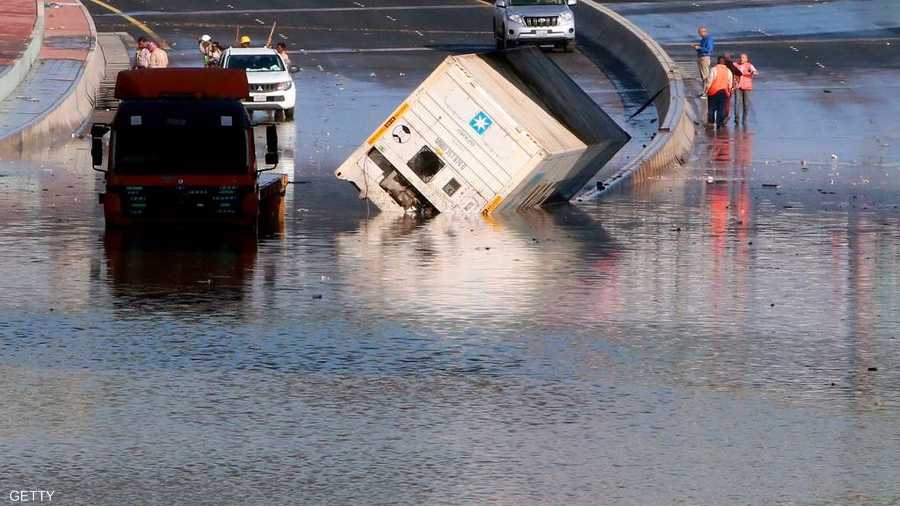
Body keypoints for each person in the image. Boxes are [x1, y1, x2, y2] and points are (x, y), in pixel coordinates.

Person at [706, 56, 734, 128]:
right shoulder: (728, 71)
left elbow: (710, 80)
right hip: (723, 91)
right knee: (721, 109)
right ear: (725, 62)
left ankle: (711, 123)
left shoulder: (713, 69)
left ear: (717, 61)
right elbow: (730, 82)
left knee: (711, 108)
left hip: (713, 91)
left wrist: (706, 89)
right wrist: (730, 90)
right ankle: (719, 124)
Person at [733, 53, 758, 124]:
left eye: (743, 58)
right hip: (737, 86)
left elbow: (755, 72)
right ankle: (737, 118)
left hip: (746, 87)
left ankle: (744, 119)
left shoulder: (749, 65)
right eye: (740, 57)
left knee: (746, 104)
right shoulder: (735, 65)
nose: (741, 59)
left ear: (746, 59)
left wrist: (753, 72)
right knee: (737, 102)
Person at [692, 26, 714, 98]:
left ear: (704, 32)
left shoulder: (708, 39)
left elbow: (709, 49)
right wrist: (697, 47)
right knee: (703, 75)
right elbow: (702, 48)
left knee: (706, 76)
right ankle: (704, 91)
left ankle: (706, 92)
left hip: (704, 58)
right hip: (701, 57)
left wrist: (699, 48)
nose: (699, 34)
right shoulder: (703, 39)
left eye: (700, 32)